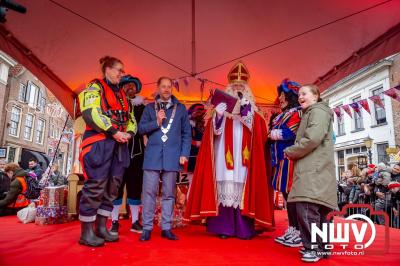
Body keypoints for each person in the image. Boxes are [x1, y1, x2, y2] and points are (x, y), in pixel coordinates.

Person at [185, 62, 275, 240]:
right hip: (223, 157)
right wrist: (218, 116)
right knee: (224, 186)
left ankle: (243, 229)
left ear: (247, 89)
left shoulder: (254, 112)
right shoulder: (220, 110)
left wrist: (246, 113)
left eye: (241, 87)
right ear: (228, 88)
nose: (237, 90)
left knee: (242, 188)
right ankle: (223, 227)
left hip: (245, 158)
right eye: (234, 87)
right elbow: (213, 133)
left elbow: (257, 133)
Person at [77, 56, 137, 247]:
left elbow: (132, 119)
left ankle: (101, 228)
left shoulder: (124, 97)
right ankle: (86, 233)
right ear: (108, 69)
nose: (122, 74)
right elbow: (91, 113)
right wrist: (114, 132)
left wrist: (128, 133)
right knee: (95, 186)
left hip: (119, 146)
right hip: (99, 143)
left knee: (112, 187)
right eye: (119, 70)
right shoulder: (94, 89)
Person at [284, 84, 337, 263]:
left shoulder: (317, 112)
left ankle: (313, 249)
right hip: (317, 169)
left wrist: (292, 151)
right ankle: (322, 248)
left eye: (304, 93)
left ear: (315, 96)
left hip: (313, 170)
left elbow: (312, 138)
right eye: (299, 94)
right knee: (319, 212)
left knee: (306, 209)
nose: (300, 97)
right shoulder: (315, 112)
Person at [138, 76, 191, 241]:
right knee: (148, 193)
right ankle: (146, 228)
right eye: (163, 86)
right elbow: (140, 129)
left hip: (173, 156)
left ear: (171, 89)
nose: (166, 89)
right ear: (158, 87)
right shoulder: (148, 108)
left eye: (169, 87)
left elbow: (186, 134)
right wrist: (157, 122)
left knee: (169, 194)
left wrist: (184, 154)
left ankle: (166, 227)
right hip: (152, 156)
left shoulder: (181, 109)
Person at [110, 74, 145, 234]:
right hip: (117, 152)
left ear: (136, 89)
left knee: (135, 186)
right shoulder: (114, 105)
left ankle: (136, 221)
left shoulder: (142, 107)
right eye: (126, 86)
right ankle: (115, 221)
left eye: (133, 86)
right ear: (121, 88)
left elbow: (145, 128)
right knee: (116, 186)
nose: (130, 88)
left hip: (136, 153)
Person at [268, 79, 302, 247]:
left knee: (292, 196)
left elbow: (289, 133)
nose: (280, 98)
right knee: (288, 196)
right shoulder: (283, 114)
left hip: (290, 160)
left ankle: (298, 231)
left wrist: (271, 134)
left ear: (290, 95)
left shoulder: (297, 112)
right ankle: (293, 227)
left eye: (282, 94)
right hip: (280, 159)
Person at [187, 103, 206, 172]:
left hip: (199, 153)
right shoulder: (186, 123)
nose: (200, 114)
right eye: (198, 112)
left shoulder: (200, 124)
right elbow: (182, 138)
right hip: (190, 152)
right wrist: (195, 143)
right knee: (191, 171)